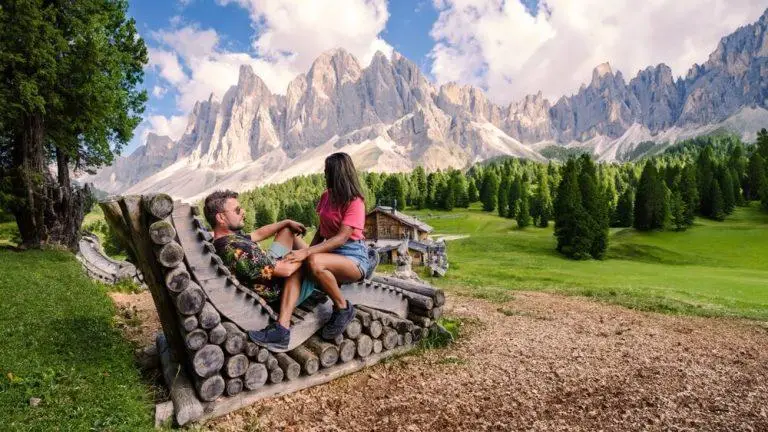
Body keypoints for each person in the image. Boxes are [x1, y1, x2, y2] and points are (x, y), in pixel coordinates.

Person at [282, 152, 377, 340]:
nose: (325, 175)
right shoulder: (326, 196)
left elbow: (342, 238)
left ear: (338, 174)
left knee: (315, 261)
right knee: (290, 236)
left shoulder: (355, 202)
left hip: (352, 255)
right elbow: (321, 230)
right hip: (328, 251)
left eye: (327, 172)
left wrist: (307, 254)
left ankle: (342, 308)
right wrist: (303, 254)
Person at [205, 190, 314, 350]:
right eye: (237, 210)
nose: (243, 212)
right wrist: (309, 253)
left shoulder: (228, 239)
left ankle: (321, 255)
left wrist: (285, 222)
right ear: (221, 217)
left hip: (270, 270)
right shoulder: (236, 250)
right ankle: (333, 268)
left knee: (288, 230)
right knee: (313, 258)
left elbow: (258, 233)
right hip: (280, 292)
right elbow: (286, 271)